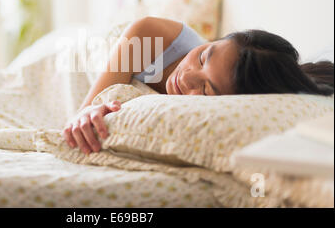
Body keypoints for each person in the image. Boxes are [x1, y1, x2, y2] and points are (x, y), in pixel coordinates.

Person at [62, 16, 334, 154]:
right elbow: (83, 113)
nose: (188, 77)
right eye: (204, 56)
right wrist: (91, 111)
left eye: (205, 90)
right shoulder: (152, 35)